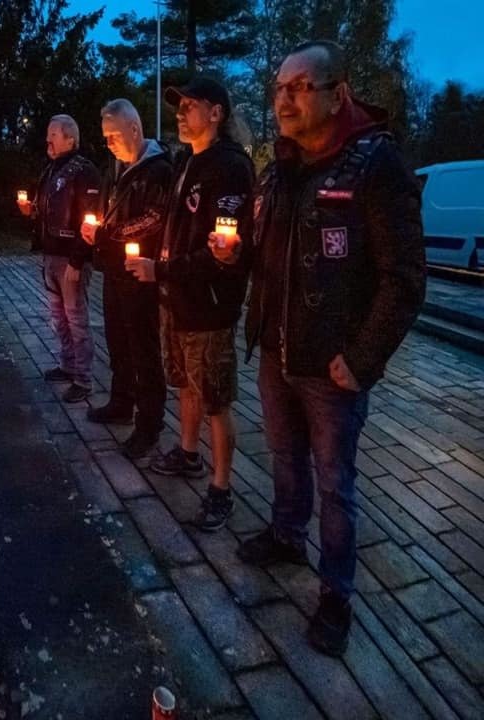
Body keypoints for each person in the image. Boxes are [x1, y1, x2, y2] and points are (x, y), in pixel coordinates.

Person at [213, 41, 426, 656]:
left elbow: (405, 278)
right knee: (283, 456)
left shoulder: (374, 164)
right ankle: (286, 535)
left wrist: (362, 358)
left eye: (302, 86)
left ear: (339, 93)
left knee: (335, 482)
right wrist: (235, 254)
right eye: (280, 87)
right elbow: (263, 255)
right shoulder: (278, 168)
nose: (285, 98)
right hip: (278, 352)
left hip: (333, 367)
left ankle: (336, 591)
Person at [125, 77, 254, 531]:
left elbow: (221, 251)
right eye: (178, 107)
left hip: (208, 304)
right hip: (174, 298)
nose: (180, 114)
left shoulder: (231, 168)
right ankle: (187, 452)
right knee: (183, 380)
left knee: (216, 398)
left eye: (190, 106)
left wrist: (161, 271)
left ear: (216, 113)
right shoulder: (185, 162)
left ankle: (221, 489)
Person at [82, 99, 171, 459]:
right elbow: (105, 209)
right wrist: (95, 227)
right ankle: (121, 402)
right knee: (118, 340)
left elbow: (154, 218)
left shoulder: (158, 170)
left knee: (143, 349)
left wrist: (107, 233)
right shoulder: (115, 167)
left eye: (114, 135)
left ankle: (149, 425)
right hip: (114, 268)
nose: (109, 143)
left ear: (135, 130)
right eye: (105, 137)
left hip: (141, 273)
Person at [18, 114, 101, 403]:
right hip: (50, 255)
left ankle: (84, 379)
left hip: (70, 258)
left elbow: (91, 220)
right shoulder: (51, 170)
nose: (48, 140)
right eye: (48, 134)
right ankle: (68, 365)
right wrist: (31, 211)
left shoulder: (85, 171)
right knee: (59, 317)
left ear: (70, 138)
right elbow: (47, 209)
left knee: (76, 318)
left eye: (53, 135)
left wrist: (78, 261)